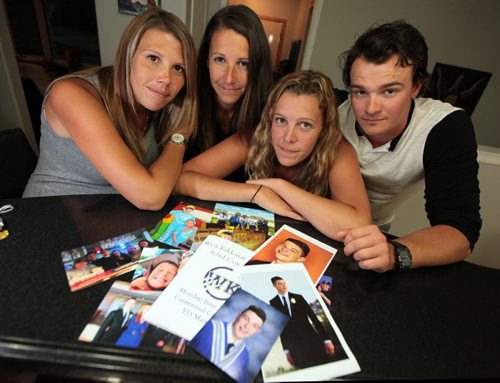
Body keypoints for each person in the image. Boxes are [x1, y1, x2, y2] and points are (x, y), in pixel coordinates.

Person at [336, 20, 482, 272]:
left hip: (370, 236)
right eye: (360, 92)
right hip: (311, 217)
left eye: (389, 91)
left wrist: (395, 253)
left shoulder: (444, 128)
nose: (371, 108)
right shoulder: (331, 108)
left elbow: (460, 231)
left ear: (416, 87)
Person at [22, 9, 197, 211]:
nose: (166, 78)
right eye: (153, 58)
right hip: (47, 218)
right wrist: (179, 136)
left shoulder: (159, 105)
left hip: (109, 221)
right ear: (127, 55)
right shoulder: (70, 93)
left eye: (178, 68)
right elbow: (151, 196)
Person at [175, 70, 371, 240]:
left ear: (323, 130)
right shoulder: (258, 136)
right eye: (280, 120)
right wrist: (256, 193)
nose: (288, 137)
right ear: (269, 120)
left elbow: (358, 224)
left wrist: (281, 187)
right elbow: (181, 179)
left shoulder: (337, 149)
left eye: (305, 125)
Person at [185, 4, 273, 182]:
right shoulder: (185, 101)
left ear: (257, 66)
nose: (229, 78)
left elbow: (182, 178)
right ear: (206, 60)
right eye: (220, 59)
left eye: (243, 63)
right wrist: (254, 193)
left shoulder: (270, 113)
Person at [189, 305, 266, 383]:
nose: (247, 326)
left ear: (257, 331)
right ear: (238, 316)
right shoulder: (208, 327)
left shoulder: (244, 355)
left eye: (255, 326)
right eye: (246, 318)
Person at [269, 276, 334, 369]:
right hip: (295, 348)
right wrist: (286, 351)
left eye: (284, 283)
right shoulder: (273, 302)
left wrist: (326, 339)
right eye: (280, 283)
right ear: (274, 286)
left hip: (312, 340)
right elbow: (281, 328)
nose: (284, 285)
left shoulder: (298, 297)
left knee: (324, 366)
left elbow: (313, 317)